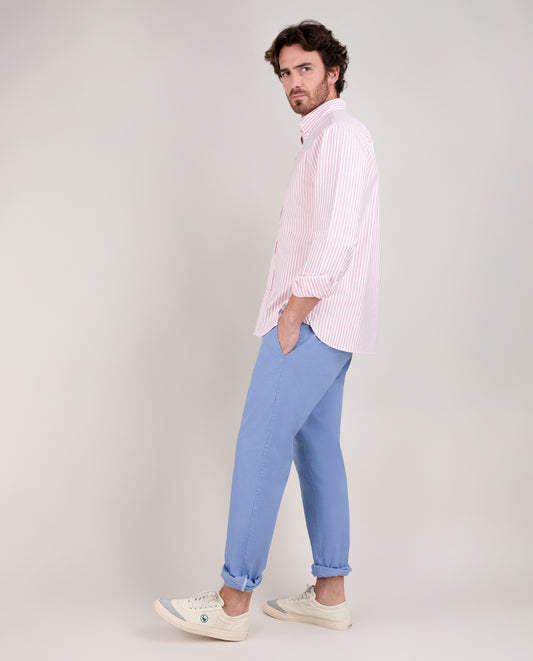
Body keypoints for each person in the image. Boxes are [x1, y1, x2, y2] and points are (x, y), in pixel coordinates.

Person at [154, 19, 380, 642]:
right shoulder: (326, 138)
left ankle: (232, 603)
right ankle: (330, 595)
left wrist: (294, 311)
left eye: (305, 68)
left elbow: (337, 236)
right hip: (333, 325)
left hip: (312, 321)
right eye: (285, 73)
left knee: (260, 444)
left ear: (333, 71)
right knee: (317, 448)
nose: (293, 83)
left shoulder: (340, 136)